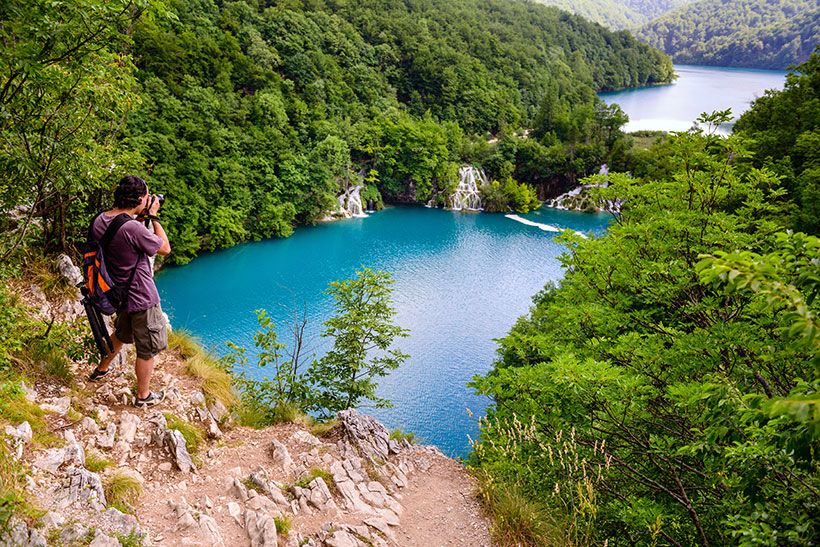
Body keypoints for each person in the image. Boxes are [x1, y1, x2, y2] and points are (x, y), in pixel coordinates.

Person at [87, 175, 172, 407]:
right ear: (140, 198)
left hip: (118, 292)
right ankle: (143, 396)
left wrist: (139, 215)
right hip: (141, 295)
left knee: (122, 334)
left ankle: (101, 369)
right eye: (147, 196)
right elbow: (164, 248)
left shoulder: (101, 219)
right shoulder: (133, 228)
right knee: (147, 348)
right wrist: (153, 216)